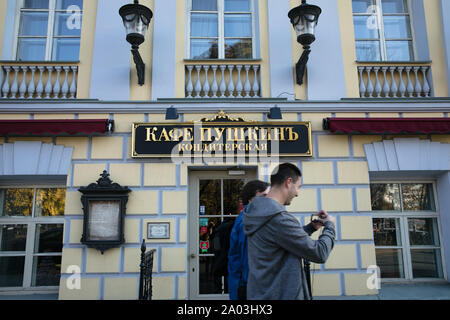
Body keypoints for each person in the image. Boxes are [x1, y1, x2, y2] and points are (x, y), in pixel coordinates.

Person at [243, 163, 336, 300]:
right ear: (288, 182)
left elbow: (278, 240)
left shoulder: (258, 212)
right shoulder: (280, 219)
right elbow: (319, 253)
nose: (297, 193)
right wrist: (330, 226)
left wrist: (310, 228)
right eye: (298, 187)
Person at [227, 180, 270, 300]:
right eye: (264, 196)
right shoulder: (247, 222)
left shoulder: (249, 217)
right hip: (247, 288)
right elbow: (247, 260)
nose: (269, 200)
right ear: (251, 200)